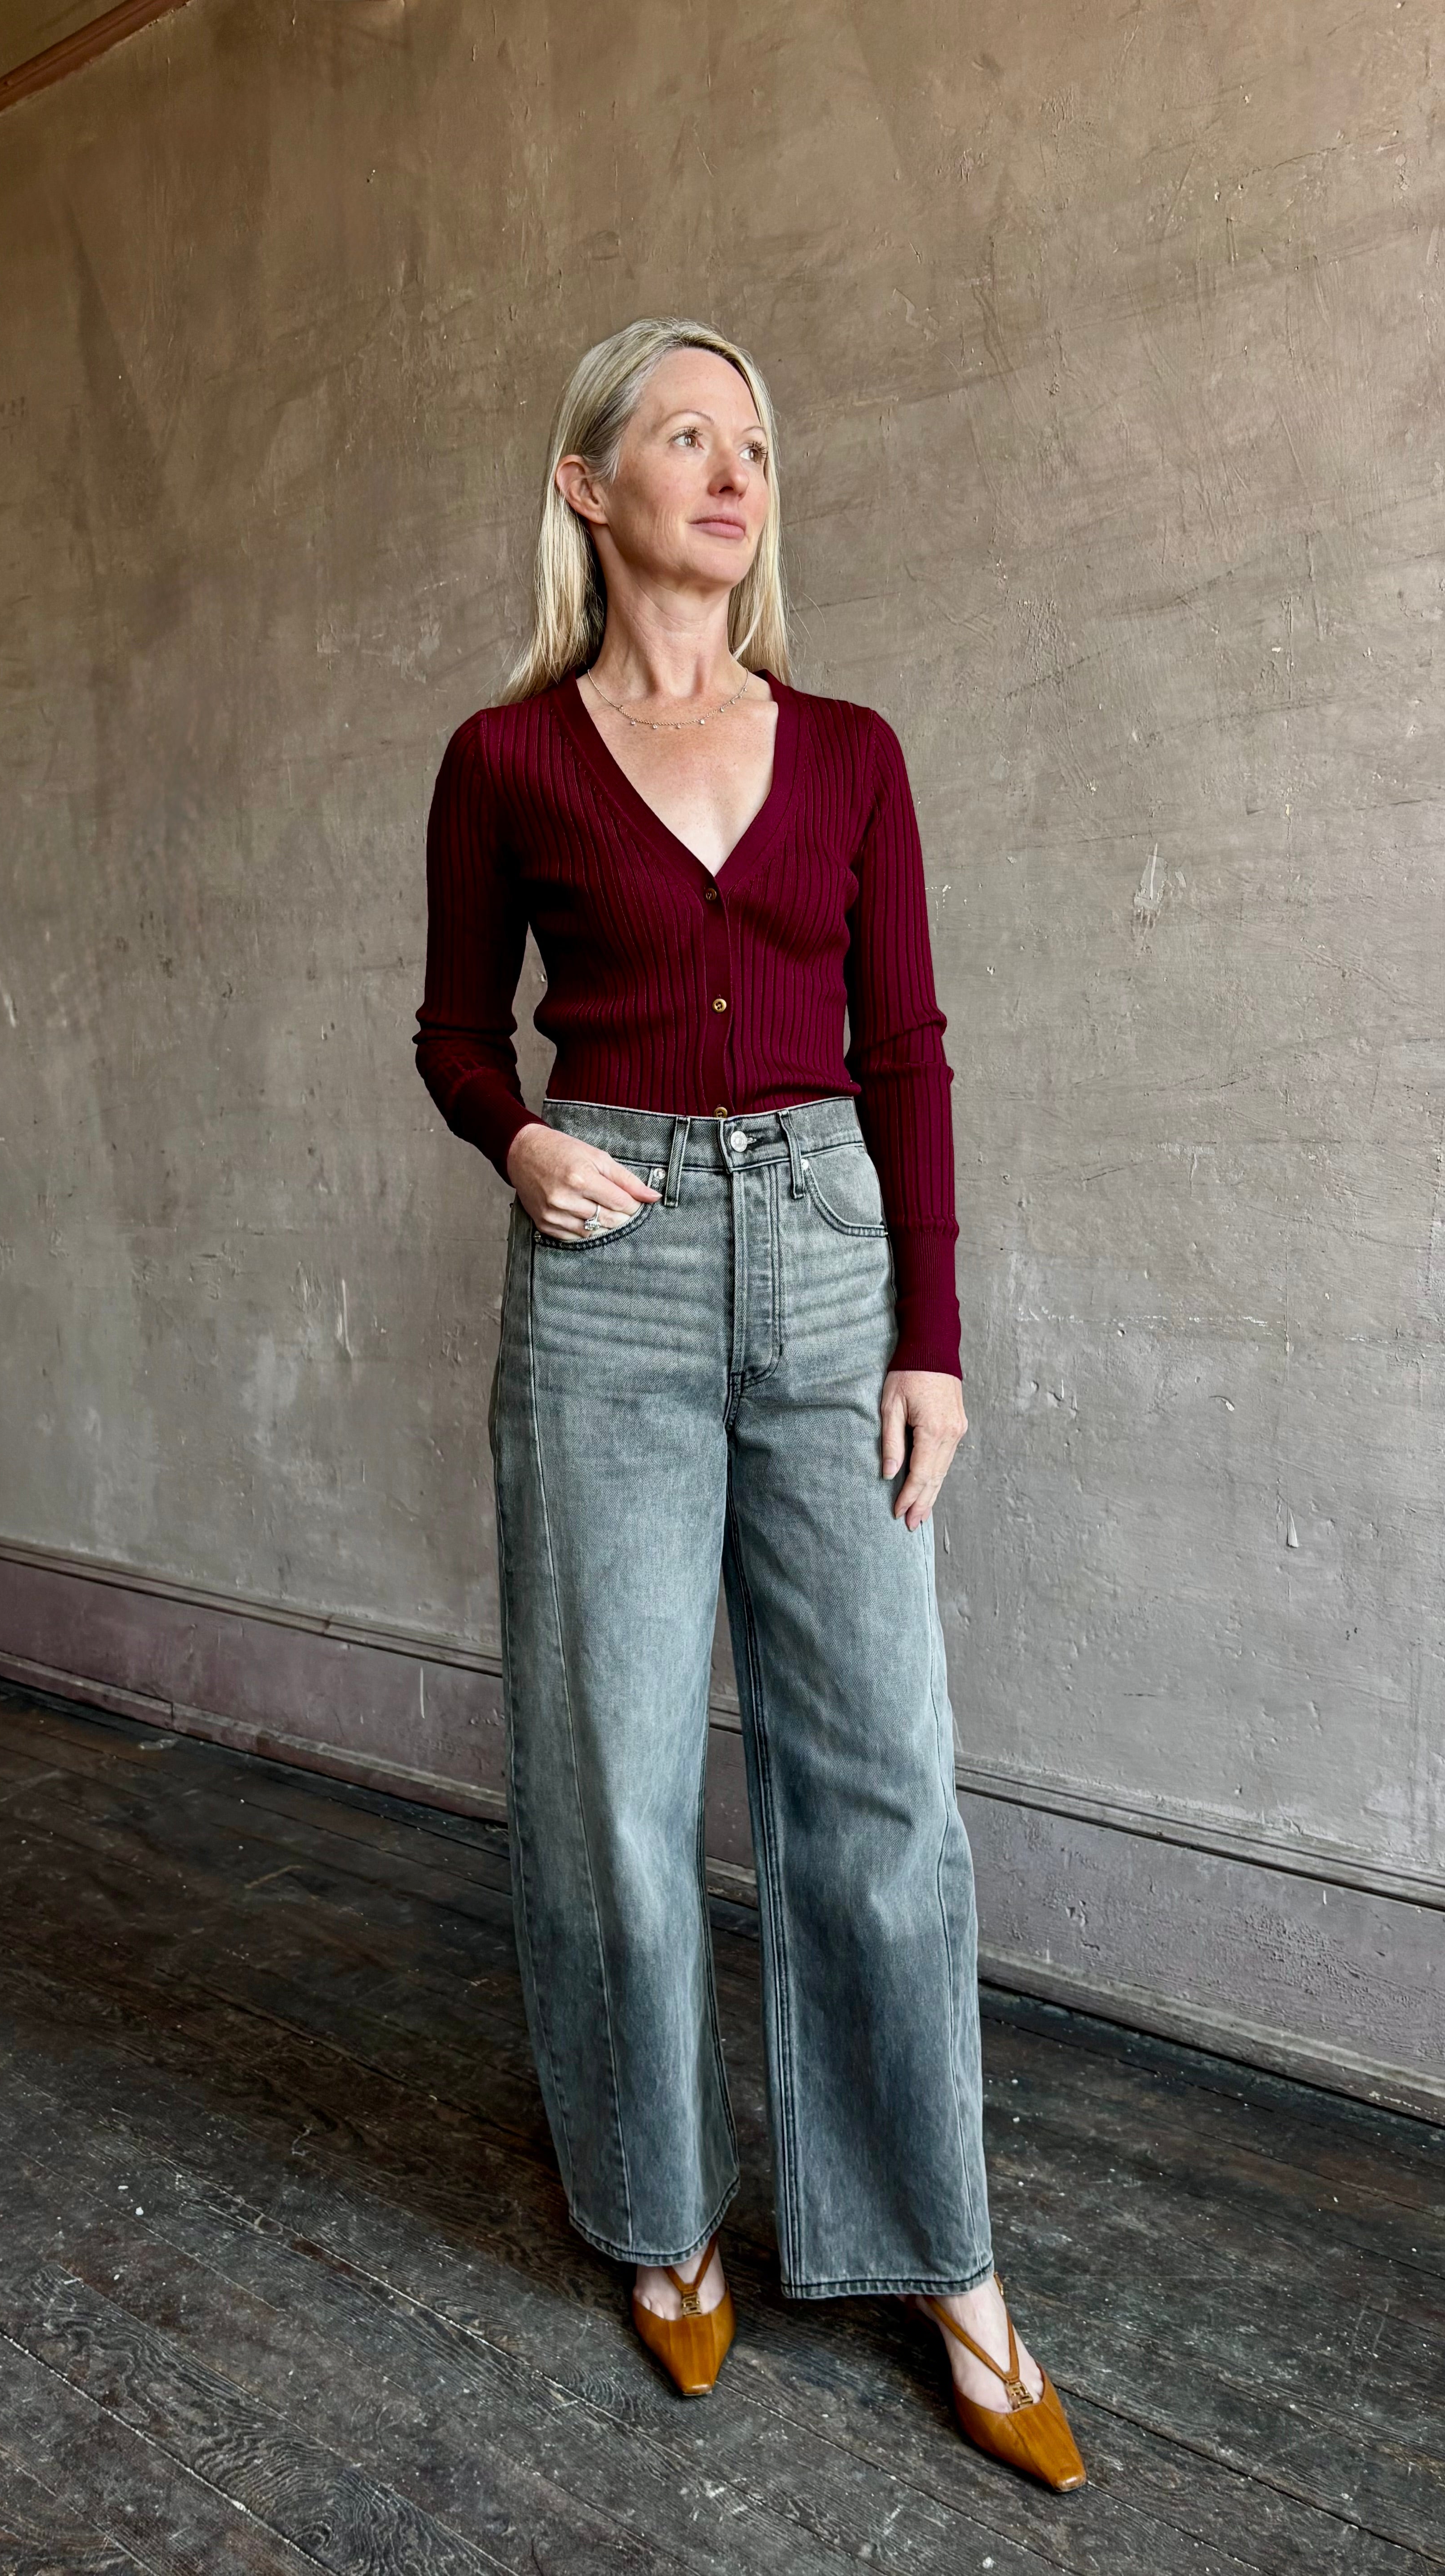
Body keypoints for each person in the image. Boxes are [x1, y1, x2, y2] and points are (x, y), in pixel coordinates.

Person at [414, 316, 1083, 2493]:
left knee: (882, 1785)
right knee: (610, 1782)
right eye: (685, 435)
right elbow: (454, 1032)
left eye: (757, 442)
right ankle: (661, 2213)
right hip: (605, 1275)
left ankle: (941, 2257)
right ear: (587, 486)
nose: (732, 470)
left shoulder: (855, 753)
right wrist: (520, 1142)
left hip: (825, 1256)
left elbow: (908, 1052)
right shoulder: (506, 761)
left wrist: (931, 1337)